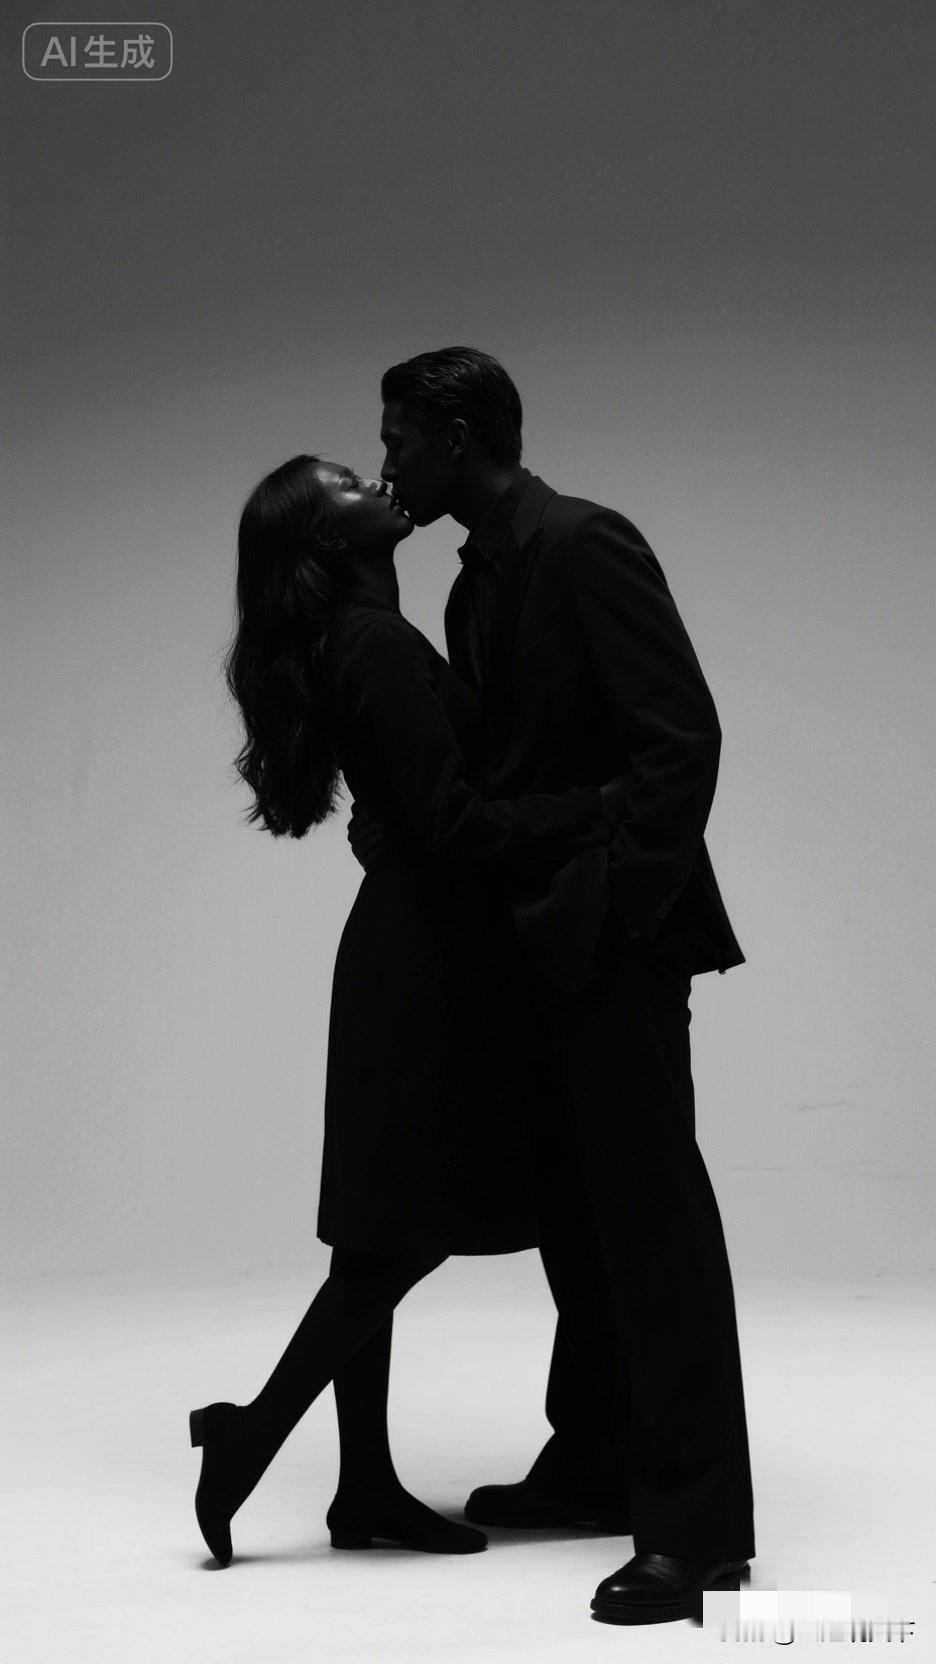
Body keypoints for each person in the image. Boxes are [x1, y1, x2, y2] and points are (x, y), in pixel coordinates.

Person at [360, 345, 756, 1624]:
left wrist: (618, 908)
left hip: (613, 942)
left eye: (399, 439)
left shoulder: (584, 543)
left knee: (652, 1222)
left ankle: (699, 1535)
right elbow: (504, 761)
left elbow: (681, 740)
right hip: (544, 942)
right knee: (579, 1218)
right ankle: (594, 1457)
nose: (386, 463)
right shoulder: (475, 585)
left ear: (457, 434)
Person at [189, 452, 624, 1569]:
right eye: (344, 479)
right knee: (402, 1232)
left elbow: (418, 802)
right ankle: (249, 1437)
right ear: (326, 537)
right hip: (425, 962)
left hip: (415, 946)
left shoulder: (368, 632)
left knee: (380, 1224)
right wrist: (593, 810)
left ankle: (365, 1487)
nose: (373, 479)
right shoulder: (373, 642)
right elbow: (455, 822)